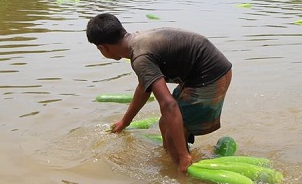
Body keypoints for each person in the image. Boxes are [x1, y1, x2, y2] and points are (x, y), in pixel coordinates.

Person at [86, 13, 233, 173]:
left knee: (171, 131)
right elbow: (143, 88)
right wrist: (125, 122)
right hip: (199, 73)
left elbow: (168, 104)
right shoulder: (137, 43)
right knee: (165, 124)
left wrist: (183, 156)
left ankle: (185, 170)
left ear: (102, 47)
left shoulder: (140, 57)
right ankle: (176, 162)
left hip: (211, 76)